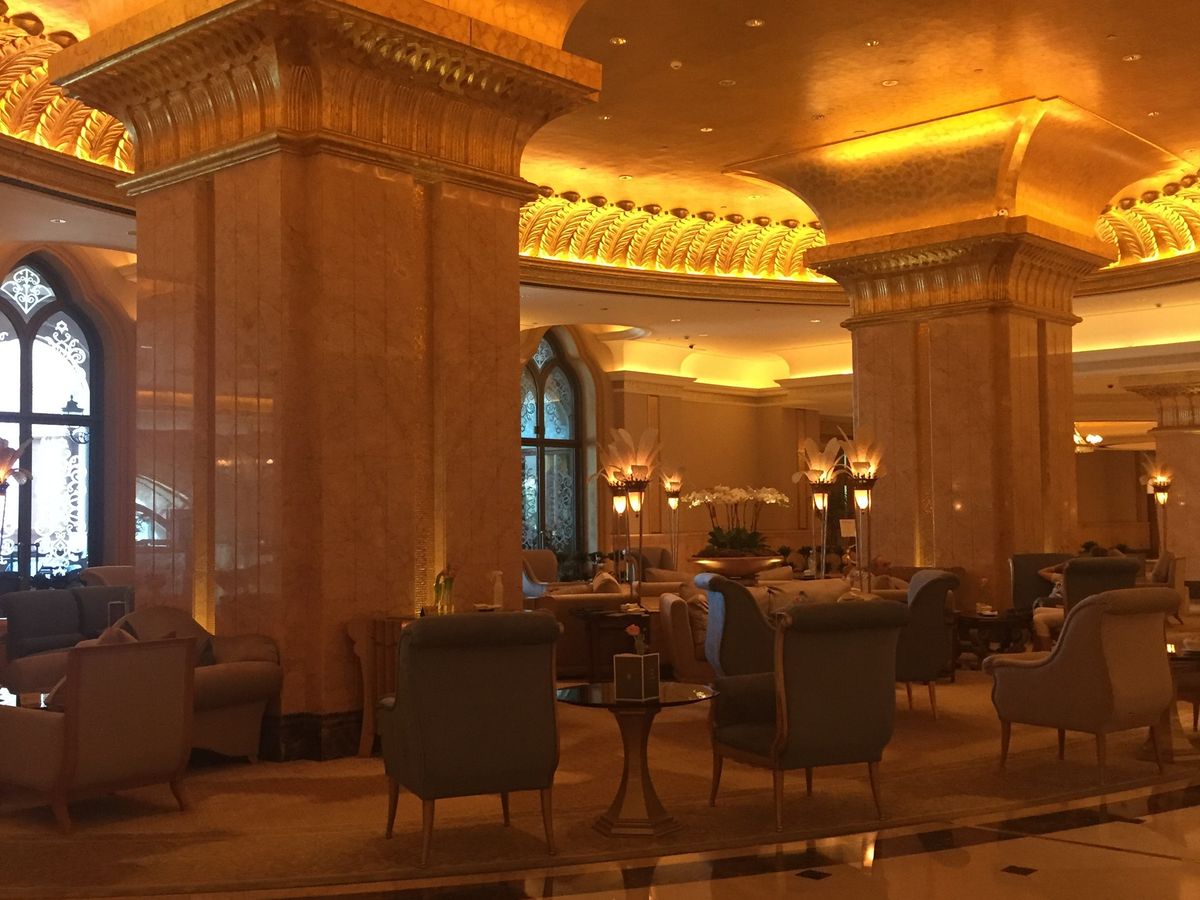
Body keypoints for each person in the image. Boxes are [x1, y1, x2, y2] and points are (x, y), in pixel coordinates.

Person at [1030, 545, 1119, 651]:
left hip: (1082, 612)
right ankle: (1038, 651)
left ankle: (1047, 654)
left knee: (1039, 619)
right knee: (1038, 610)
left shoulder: (1090, 578)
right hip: (1079, 609)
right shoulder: (1103, 576)